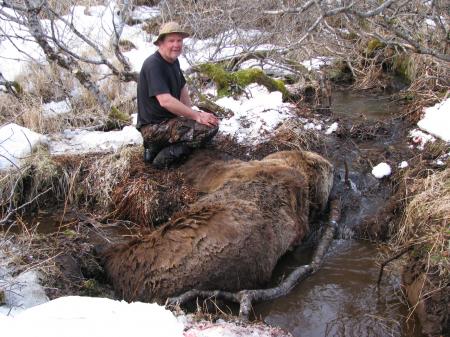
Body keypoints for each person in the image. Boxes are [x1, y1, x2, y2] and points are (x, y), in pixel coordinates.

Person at [136, 21, 219, 168]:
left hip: (168, 121)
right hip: (154, 127)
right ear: (160, 43)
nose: (176, 45)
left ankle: (155, 149)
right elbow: (165, 101)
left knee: (210, 121)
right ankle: (161, 160)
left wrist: (193, 115)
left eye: (179, 40)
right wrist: (196, 116)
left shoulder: (173, 61)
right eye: (171, 41)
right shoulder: (153, 64)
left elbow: (182, 89)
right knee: (209, 129)